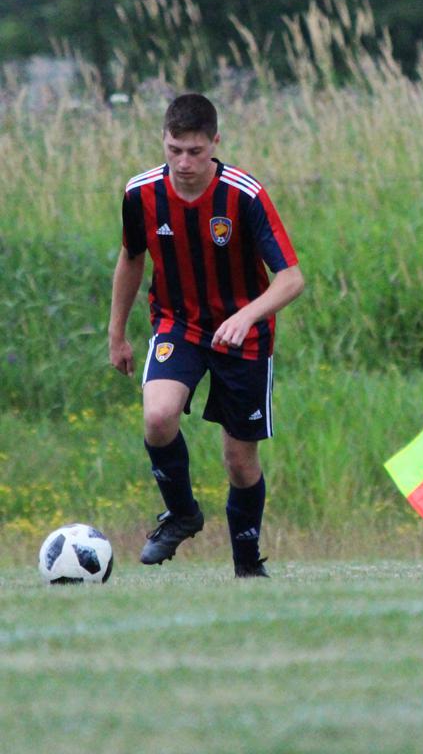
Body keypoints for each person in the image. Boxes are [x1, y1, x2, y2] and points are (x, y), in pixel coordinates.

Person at [108, 93, 304, 577]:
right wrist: (117, 334)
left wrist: (248, 316)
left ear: (215, 142)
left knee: (239, 460)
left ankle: (246, 566)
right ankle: (182, 513)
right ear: (164, 141)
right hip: (179, 323)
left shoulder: (244, 195)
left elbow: (291, 278)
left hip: (244, 334)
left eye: (195, 151)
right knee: (157, 416)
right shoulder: (141, 194)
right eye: (174, 149)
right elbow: (131, 258)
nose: (184, 162)